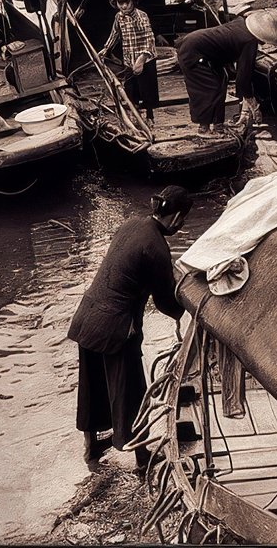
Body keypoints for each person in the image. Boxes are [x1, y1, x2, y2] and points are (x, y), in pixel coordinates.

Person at [67, 185, 192, 471]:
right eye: (183, 220)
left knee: (93, 386)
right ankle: (142, 457)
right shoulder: (157, 247)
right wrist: (189, 301)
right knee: (132, 391)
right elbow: (166, 303)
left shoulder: (131, 224)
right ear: (176, 219)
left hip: (87, 318)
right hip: (116, 329)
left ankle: (92, 449)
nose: (181, 225)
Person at [175, 10, 277, 137]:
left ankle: (218, 126)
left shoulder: (241, 23)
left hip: (203, 50)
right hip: (193, 52)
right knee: (210, 89)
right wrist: (252, 103)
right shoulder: (249, 41)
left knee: (221, 83)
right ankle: (204, 128)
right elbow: (243, 77)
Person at [100, 0, 159, 124]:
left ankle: (149, 117)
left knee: (147, 90)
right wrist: (106, 48)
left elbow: (149, 38)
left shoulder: (141, 16)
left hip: (145, 59)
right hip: (128, 60)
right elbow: (114, 34)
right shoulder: (119, 17)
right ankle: (135, 116)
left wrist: (142, 59)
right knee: (131, 89)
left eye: (127, 3)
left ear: (133, 0)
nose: (124, 7)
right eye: (120, 3)